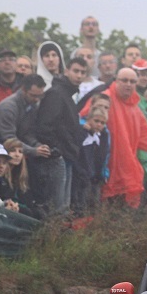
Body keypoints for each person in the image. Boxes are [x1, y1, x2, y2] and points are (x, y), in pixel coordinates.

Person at [80, 68, 147, 208]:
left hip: (126, 169)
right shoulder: (104, 100)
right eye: (124, 80)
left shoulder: (135, 107)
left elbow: (145, 140)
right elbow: (83, 120)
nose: (128, 84)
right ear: (116, 81)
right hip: (101, 167)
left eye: (132, 81)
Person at [35, 57, 87, 214]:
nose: (79, 75)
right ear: (66, 71)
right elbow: (44, 126)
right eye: (76, 71)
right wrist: (58, 149)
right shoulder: (56, 94)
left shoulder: (67, 95)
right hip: (57, 158)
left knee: (63, 208)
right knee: (57, 209)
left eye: (83, 72)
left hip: (67, 156)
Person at [0, 74, 49, 159]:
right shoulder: (7, 108)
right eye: (33, 95)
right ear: (23, 90)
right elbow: (9, 138)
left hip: (17, 151)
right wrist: (33, 151)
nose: (37, 99)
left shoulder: (32, 104)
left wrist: (38, 145)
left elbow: (27, 133)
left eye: (40, 96)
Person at [3, 137, 39, 218]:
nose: (17, 155)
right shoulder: (1, 176)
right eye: (13, 150)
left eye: (20, 152)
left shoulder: (22, 179)